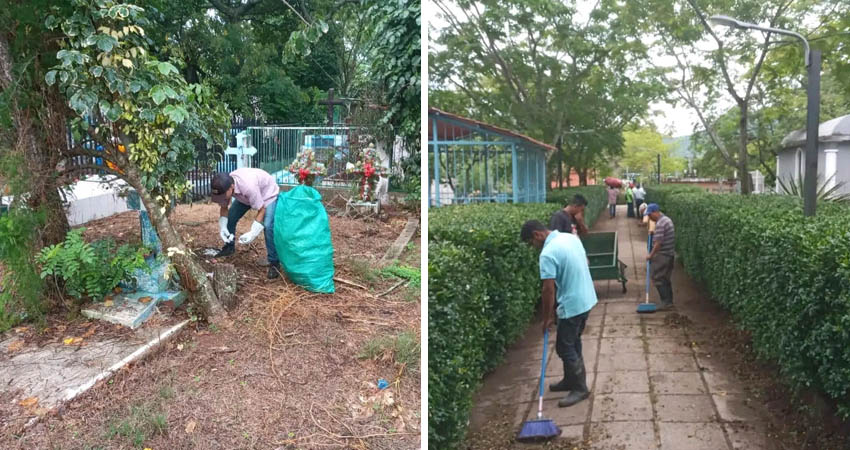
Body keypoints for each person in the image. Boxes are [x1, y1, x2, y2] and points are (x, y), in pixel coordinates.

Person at [521, 220, 597, 408]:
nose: (533, 248)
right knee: (573, 341)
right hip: (587, 298)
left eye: (532, 243)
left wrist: (547, 317)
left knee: (564, 347)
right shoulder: (569, 237)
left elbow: (548, 289)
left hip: (572, 304)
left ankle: (580, 388)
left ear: (537, 235)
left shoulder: (547, 254)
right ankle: (570, 381)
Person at [211, 168, 281, 279]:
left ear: (231, 188)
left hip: (267, 193)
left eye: (223, 196)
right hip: (245, 197)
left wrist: (253, 232)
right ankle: (229, 247)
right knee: (230, 218)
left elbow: (261, 209)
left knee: (268, 226)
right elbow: (224, 207)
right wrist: (223, 226)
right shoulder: (225, 185)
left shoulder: (248, 187)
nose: (222, 199)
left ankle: (274, 262)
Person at [645, 204, 675, 310]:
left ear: (655, 212)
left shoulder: (661, 223)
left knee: (657, 277)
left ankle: (665, 302)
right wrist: (654, 232)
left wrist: (650, 255)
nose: (649, 217)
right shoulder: (666, 220)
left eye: (649, 215)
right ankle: (669, 302)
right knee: (665, 278)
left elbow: (658, 244)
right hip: (669, 254)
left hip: (663, 255)